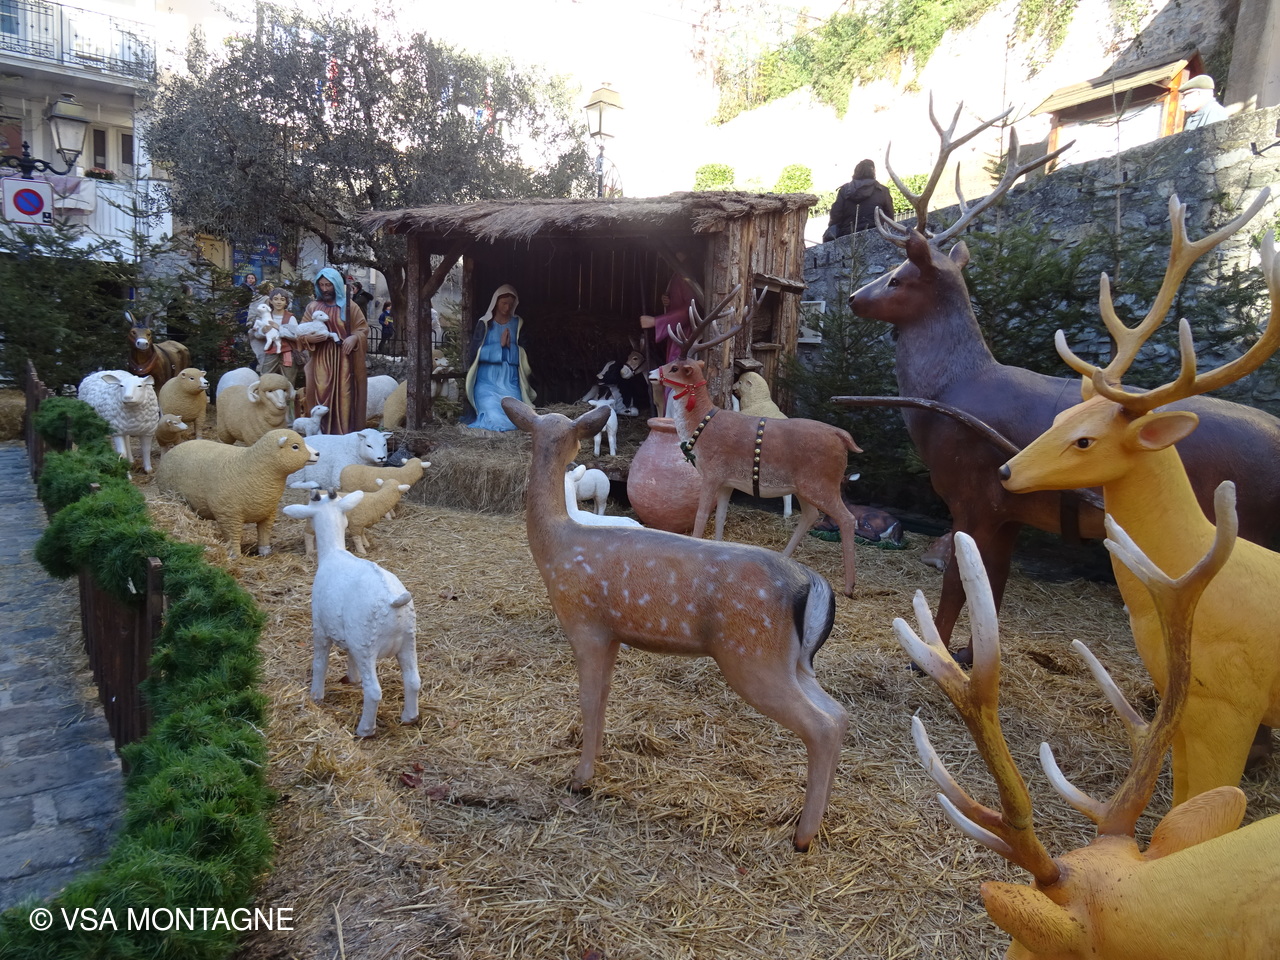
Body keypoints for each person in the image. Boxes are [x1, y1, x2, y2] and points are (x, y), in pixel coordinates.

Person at [299, 267, 369, 434]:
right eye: (321, 285)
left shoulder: (350, 307)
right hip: (321, 359)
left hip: (344, 359)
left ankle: (343, 434)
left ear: (336, 284)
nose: (325, 289)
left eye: (328, 285)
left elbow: (363, 329)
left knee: (345, 395)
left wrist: (354, 338)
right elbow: (300, 332)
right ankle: (321, 435)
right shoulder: (313, 307)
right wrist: (310, 339)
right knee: (321, 393)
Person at [462, 283, 534, 432]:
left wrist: (510, 347)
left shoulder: (518, 324)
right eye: (504, 303)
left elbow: (526, 355)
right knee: (493, 415)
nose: (507, 308)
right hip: (486, 384)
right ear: (496, 302)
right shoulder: (485, 324)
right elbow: (475, 354)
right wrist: (499, 346)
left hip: (510, 383)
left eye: (510, 304)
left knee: (516, 415)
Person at [640, 269, 696, 416]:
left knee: (676, 376)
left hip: (684, 335)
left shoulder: (686, 274)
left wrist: (656, 321)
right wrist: (668, 302)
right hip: (676, 333)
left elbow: (689, 310)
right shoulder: (677, 273)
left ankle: (673, 419)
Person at [823, 159, 895, 241]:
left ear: (856, 172)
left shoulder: (844, 190)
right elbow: (889, 218)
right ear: (873, 172)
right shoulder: (882, 190)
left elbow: (835, 216)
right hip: (877, 236)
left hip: (848, 238)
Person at [259, 288, 303, 396]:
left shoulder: (290, 318)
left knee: (288, 380)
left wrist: (279, 328)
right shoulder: (267, 316)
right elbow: (258, 333)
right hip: (271, 350)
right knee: (265, 375)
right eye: (276, 299)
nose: (279, 302)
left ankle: (289, 401)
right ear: (270, 301)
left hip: (287, 352)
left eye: (282, 299)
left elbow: (296, 335)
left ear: (286, 302)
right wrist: (263, 331)